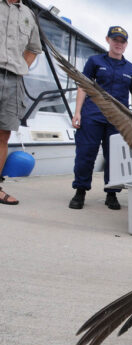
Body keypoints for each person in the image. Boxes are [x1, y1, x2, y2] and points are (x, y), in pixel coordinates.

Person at [69, 26, 132, 210]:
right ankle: (80, 192)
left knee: (115, 158)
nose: (118, 44)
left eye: (122, 41)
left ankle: (112, 194)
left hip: (118, 121)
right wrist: (77, 112)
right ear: (108, 40)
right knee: (85, 155)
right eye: (115, 40)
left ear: (126, 45)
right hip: (92, 116)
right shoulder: (94, 61)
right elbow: (83, 86)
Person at [0, 0, 42, 205]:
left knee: (3, 134)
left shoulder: (28, 14)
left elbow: (34, 48)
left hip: (14, 80)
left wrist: (19, 67)